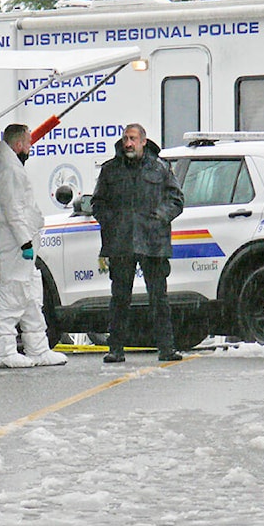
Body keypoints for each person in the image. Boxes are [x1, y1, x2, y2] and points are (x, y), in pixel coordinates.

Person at [92, 123, 184, 363]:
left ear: (144, 141)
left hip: (153, 241)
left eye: (132, 138)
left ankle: (166, 348)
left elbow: (176, 199)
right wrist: (109, 221)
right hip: (121, 242)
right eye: (125, 139)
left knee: (159, 299)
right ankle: (115, 349)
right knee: (120, 298)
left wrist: (159, 217)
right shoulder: (111, 170)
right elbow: (98, 202)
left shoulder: (160, 168)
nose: (128, 143)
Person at [0, 123, 68, 369]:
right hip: (14, 241)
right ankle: (3, 350)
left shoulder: (2, 169)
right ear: (19, 144)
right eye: (29, 142)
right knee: (14, 292)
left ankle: (38, 348)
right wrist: (25, 241)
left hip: (14, 239)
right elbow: (14, 210)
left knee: (30, 294)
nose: (30, 147)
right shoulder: (10, 171)